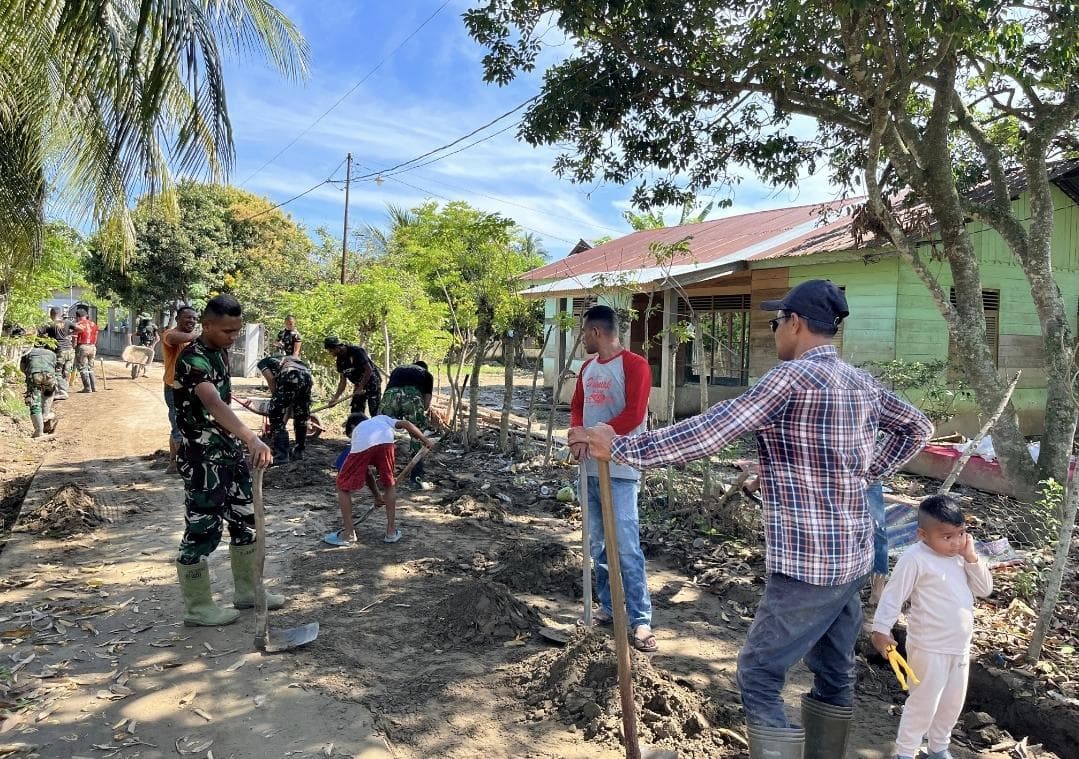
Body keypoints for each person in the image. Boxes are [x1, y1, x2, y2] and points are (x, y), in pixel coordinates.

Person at [582, 280, 934, 758]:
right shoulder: (861, 382)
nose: (774, 332)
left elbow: (709, 433)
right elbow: (919, 427)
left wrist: (620, 446)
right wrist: (866, 471)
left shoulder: (789, 379)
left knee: (759, 675)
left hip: (809, 564)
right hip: (852, 557)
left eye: (776, 322)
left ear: (797, 322)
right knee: (835, 673)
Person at [172, 294, 277, 627]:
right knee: (202, 529)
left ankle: (247, 590)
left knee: (246, 519)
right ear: (207, 325)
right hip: (203, 460)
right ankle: (198, 607)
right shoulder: (193, 359)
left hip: (228, 453)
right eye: (227, 331)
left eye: (237, 331)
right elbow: (213, 402)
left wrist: (240, 441)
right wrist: (252, 437)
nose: (233, 337)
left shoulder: (219, 352)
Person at [871, 495, 993, 759]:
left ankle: (938, 748)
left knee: (951, 704)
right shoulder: (915, 558)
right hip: (929, 646)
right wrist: (881, 629)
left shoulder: (961, 556)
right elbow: (894, 595)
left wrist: (971, 557)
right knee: (923, 703)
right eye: (947, 537)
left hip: (959, 647)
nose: (956, 542)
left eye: (960, 533)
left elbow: (984, 589)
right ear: (922, 534)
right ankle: (905, 752)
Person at [566, 304, 655, 652]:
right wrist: (577, 432)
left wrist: (591, 435)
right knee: (597, 543)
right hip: (588, 468)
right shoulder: (587, 368)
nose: (582, 338)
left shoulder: (635, 365)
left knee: (626, 546)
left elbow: (634, 412)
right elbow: (577, 406)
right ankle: (606, 605)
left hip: (620, 470)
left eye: (584, 332)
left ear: (596, 332)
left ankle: (640, 619)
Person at [324, 412, 431, 546]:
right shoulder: (382, 419)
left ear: (352, 427)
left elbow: (366, 473)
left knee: (342, 486)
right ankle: (391, 533)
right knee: (389, 484)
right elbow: (406, 424)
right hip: (386, 441)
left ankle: (349, 534)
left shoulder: (358, 433)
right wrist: (425, 440)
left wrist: (376, 495)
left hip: (367, 444)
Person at [381, 360, 435, 490]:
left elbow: (389, 390)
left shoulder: (398, 369)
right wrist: (419, 414)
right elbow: (426, 404)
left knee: (382, 430)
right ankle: (416, 480)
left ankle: (383, 477)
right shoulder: (427, 374)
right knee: (417, 436)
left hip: (390, 395)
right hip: (412, 395)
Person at [256, 355, 314, 465]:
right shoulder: (286, 358)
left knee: (275, 415)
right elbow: (291, 400)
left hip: (290, 373)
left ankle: (281, 456)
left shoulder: (263, 363)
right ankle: (298, 452)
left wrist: (276, 400)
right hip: (307, 375)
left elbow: (271, 379)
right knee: (301, 416)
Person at [162, 306, 199, 473]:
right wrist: (206, 335)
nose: (191, 321)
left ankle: (173, 463)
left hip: (191, 388)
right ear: (177, 319)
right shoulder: (170, 334)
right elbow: (180, 338)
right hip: (173, 388)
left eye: (194, 318)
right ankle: (183, 464)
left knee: (184, 425)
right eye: (188, 317)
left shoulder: (192, 338)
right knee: (178, 426)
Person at [323, 336, 381, 417]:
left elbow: (369, 370)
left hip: (372, 382)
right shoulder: (339, 361)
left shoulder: (356, 351)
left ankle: (378, 427)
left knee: (374, 411)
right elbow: (342, 382)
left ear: (337, 347)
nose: (330, 353)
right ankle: (358, 427)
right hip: (358, 385)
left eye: (331, 350)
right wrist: (335, 398)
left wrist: (360, 387)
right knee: (356, 411)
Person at [20, 338, 58, 438]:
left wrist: (29, 376)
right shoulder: (51, 353)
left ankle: (39, 431)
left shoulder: (28, 352)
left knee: (34, 403)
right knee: (48, 396)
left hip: (34, 376)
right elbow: (55, 368)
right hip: (50, 377)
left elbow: (22, 368)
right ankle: (46, 416)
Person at [43, 307, 76, 399]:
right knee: (66, 371)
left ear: (51, 314)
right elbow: (80, 328)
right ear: (60, 314)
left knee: (57, 372)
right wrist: (69, 334)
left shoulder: (50, 324)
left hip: (59, 351)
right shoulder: (67, 322)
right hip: (69, 350)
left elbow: (40, 333)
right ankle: (64, 389)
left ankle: (62, 391)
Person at [72, 307, 100, 392]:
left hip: (82, 347)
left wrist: (74, 346)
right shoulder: (93, 324)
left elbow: (75, 338)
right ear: (86, 315)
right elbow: (96, 336)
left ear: (78, 317)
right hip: (92, 347)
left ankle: (87, 387)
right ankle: (94, 387)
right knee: (90, 367)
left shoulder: (79, 324)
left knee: (83, 367)